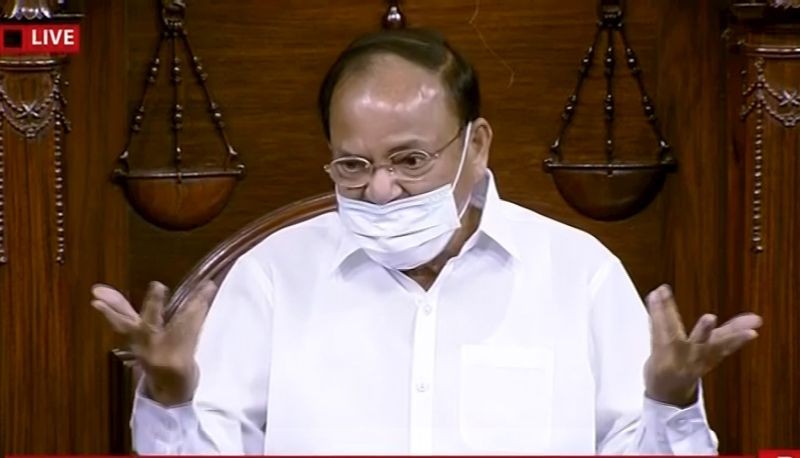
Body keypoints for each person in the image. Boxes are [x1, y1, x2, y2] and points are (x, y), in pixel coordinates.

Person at [91, 28, 762, 455]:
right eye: (352, 165)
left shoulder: (577, 273)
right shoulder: (273, 277)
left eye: (410, 161)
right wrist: (172, 395)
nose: (381, 190)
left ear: (477, 146)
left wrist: (669, 401)